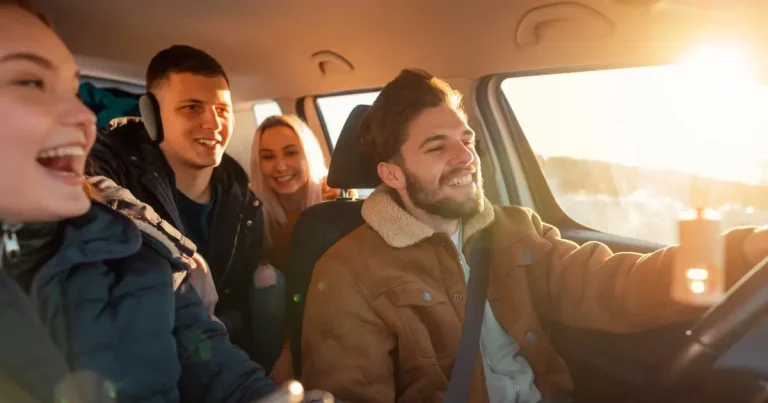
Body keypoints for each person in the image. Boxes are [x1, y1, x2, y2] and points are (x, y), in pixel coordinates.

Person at [299, 69, 768, 403]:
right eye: (437, 147)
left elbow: (614, 283)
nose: (465, 157)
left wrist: (740, 249)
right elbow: (353, 395)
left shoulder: (514, 229)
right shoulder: (347, 273)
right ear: (392, 174)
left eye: (466, 140)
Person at [0, 1, 275, 401]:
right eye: (30, 83)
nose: (84, 117)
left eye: (74, 92)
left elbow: (226, 374)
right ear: (152, 116)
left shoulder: (135, 257)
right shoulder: (122, 203)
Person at [88, 44, 281, 370]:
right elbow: (88, 187)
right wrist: (180, 256)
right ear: (152, 114)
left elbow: (236, 304)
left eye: (222, 110)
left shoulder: (244, 202)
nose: (213, 124)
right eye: (192, 108)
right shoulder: (112, 161)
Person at [249, 115, 345, 383]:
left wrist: (290, 349)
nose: (280, 166)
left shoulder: (336, 203)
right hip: (278, 319)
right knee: (267, 280)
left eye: (291, 153)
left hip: (328, 307)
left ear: (308, 154)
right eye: (268, 157)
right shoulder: (253, 209)